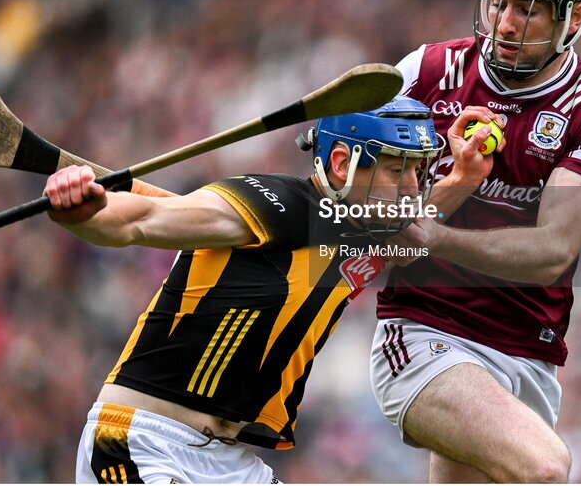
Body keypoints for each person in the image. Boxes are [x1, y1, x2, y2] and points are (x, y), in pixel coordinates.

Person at [45, 95, 459, 483]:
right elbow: (142, 219)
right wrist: (84, 215)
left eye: (417, 170)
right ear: (340, 164)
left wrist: (464, 175)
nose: (410, 188)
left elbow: (417, 235)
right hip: (143, 444)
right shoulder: (276, 205)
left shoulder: (363, 232)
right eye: (396, 169)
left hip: (227, 461)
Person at [369, 0, 581, 482]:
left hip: (527, 352)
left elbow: (551, 251)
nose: (504, 23)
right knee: (543, 468)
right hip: (425, 332)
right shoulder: (425, 74)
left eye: (527, 9)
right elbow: (366, 229)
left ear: (576, 15)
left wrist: (438, 236)